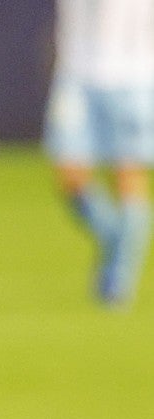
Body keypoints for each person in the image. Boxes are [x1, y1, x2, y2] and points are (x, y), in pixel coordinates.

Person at [44, 0, 154, 306]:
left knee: (128, 172)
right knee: (70, 176)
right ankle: (117, 239)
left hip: (133, 77)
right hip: (77, 75)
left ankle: (119, 280)